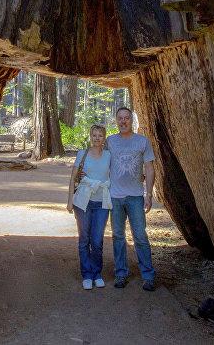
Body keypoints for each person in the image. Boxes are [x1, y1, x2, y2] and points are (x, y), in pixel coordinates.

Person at [107, 106, 157, 291]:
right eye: (120, 118)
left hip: (136, 196)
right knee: (118, 236)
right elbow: (101, 163)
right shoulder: (109, 141)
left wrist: (149, 193)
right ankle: (121, 273)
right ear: (116, 121)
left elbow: (150, 168)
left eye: (126, 118)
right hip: (115, 197)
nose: (123, 121)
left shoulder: (142, 141)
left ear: (131, 120)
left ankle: (148, 275)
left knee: (140, 236)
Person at [67, 124, 112, 290]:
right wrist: (69, 200)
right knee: (84, 238)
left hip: (102, 202)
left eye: (100, 135)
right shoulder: (82, 154)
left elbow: (116, 173)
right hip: (83, 202)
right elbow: (73, 178)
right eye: (94, 135)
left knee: (97, 240)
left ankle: (97, 273)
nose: (97, 138)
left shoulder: (108, 155)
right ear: (90, 136)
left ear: (104, 138)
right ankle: (86, 274)